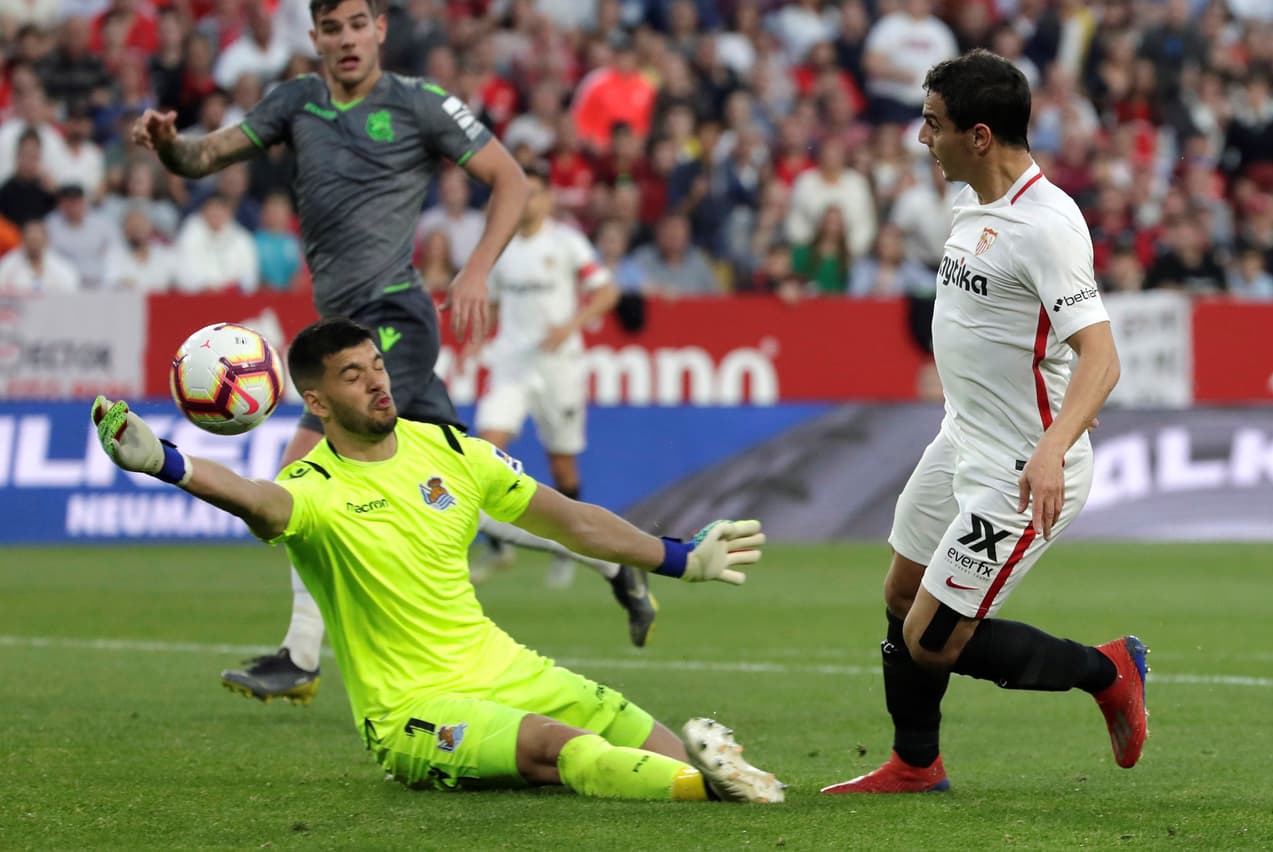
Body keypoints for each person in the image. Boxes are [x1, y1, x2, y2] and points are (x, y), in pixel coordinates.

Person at [130, 0, 654, 704]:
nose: (346, 39)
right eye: (331, 28)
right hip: (340, 322)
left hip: (391, 320)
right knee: (457, 488)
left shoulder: (418, 103)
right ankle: (612, 563)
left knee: (301, 475)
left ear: (379, 29)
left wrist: (475, 270)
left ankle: (300, 654)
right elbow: (201, 158)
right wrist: (168, 144)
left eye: (357, 24)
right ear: (314, 36)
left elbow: (511, 178)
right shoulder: (296, 102)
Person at [89, 317, 785, 805]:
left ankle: (733, 781)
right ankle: (708, 792)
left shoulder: (450, 449)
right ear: (317, 401)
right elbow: (258, 501)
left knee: (641, 732)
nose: (377, 383)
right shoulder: (313, 487)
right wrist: (168, 464)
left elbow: (574, 520)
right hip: (414, 711)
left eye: (378, 366)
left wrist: (680, 559)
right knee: (564, 749)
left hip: (504, 667)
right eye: (353, 376)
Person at [820, 50, 1148, 796]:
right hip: (961, 439)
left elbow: (1101, 357)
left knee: (931, 637)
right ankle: (915, 765)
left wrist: (1053, 445)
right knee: (901, 596)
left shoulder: (1046, 226)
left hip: (1021, 469)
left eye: (932, 124)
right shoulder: (973, 202)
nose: (920, 138)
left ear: (978, 135)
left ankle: (1108, 672)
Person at [476, 163, 621, 591]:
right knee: (484, 450)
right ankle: (497, 546)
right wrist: (477, 338)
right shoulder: (500, 245)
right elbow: (495, 304)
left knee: (562, 463)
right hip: (512, 364)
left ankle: (568, 549)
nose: (527, 202)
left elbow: (606, 291)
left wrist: (570, 326)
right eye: (520, 193)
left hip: (558, 366)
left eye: (534, 193)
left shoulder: (566, 242)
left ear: (548, 199)